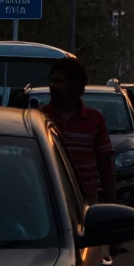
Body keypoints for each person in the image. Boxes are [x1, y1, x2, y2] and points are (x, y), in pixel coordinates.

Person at [43, 59, 116, 207]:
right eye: (52, 81)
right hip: (47, 203)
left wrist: (112, 205)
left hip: (84, 204)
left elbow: (105, 167)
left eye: (58, 82)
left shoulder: (94, 120)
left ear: (75, 86)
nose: (52, 87)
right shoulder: (39, 119)